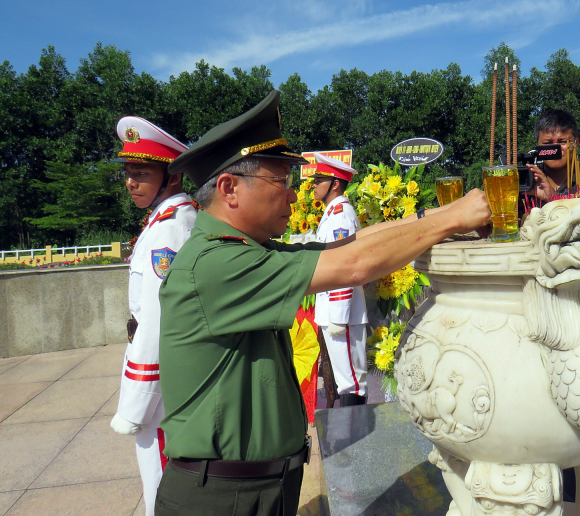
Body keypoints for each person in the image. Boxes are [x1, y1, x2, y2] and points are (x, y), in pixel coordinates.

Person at [155, 90, 491, 516]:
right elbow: (353, 265)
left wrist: (429, 220)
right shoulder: (216, 264)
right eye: (282, 182)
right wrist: (454, 217)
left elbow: (349, 244)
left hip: (247, 487)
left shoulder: (241, 251)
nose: (295, 196)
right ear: (229, 188)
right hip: (222, 497)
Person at [108, 116, 196, 516]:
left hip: (163, 385)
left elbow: (160, 319)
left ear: (172, 176)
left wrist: (137, 401)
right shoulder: (164, 220)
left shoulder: (170, 228)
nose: (130, 181)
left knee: (161, 481)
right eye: (129, 172)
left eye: (141, 172)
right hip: (167, 376)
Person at [309, 152, 369, 407]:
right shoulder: (334, 213)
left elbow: (344, 267)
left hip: (341, 314)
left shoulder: (340, 216)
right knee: (347, 381)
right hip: (336, 311)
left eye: (319, 179)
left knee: (352, 383)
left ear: (334, 184)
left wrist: (339, 317)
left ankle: (356, 440)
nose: (313, 185)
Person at [526, 109, 580, 202]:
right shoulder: (528, 181)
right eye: (548, 143)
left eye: (563, 142)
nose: (556, 149)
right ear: (538, 146)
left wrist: (553, 197)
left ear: (575, 143)